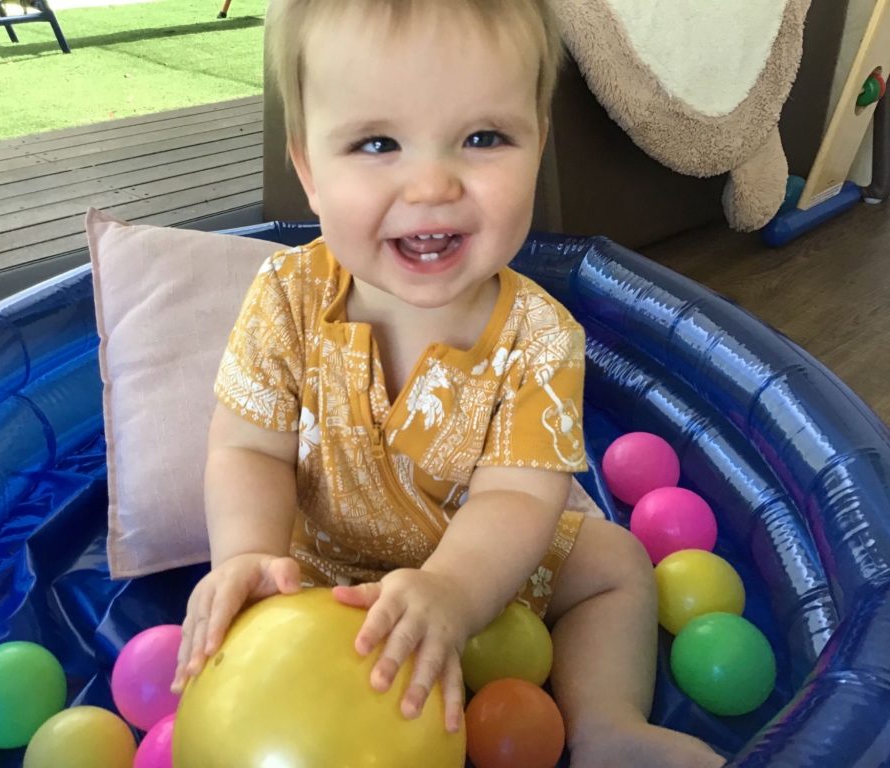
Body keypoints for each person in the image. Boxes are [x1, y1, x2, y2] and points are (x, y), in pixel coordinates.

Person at [172, 2, 724, 766]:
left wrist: (454, 596)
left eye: (482, 137)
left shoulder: (540, 336)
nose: (432, 184)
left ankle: (603, 723)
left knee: (618, 568)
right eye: (376, 142)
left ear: (537, 147)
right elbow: (246, 449)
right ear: (308, 171)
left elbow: (515, 500)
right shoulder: (285, 297)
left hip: (479, 575)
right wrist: (247, 557)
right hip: (320, 572)